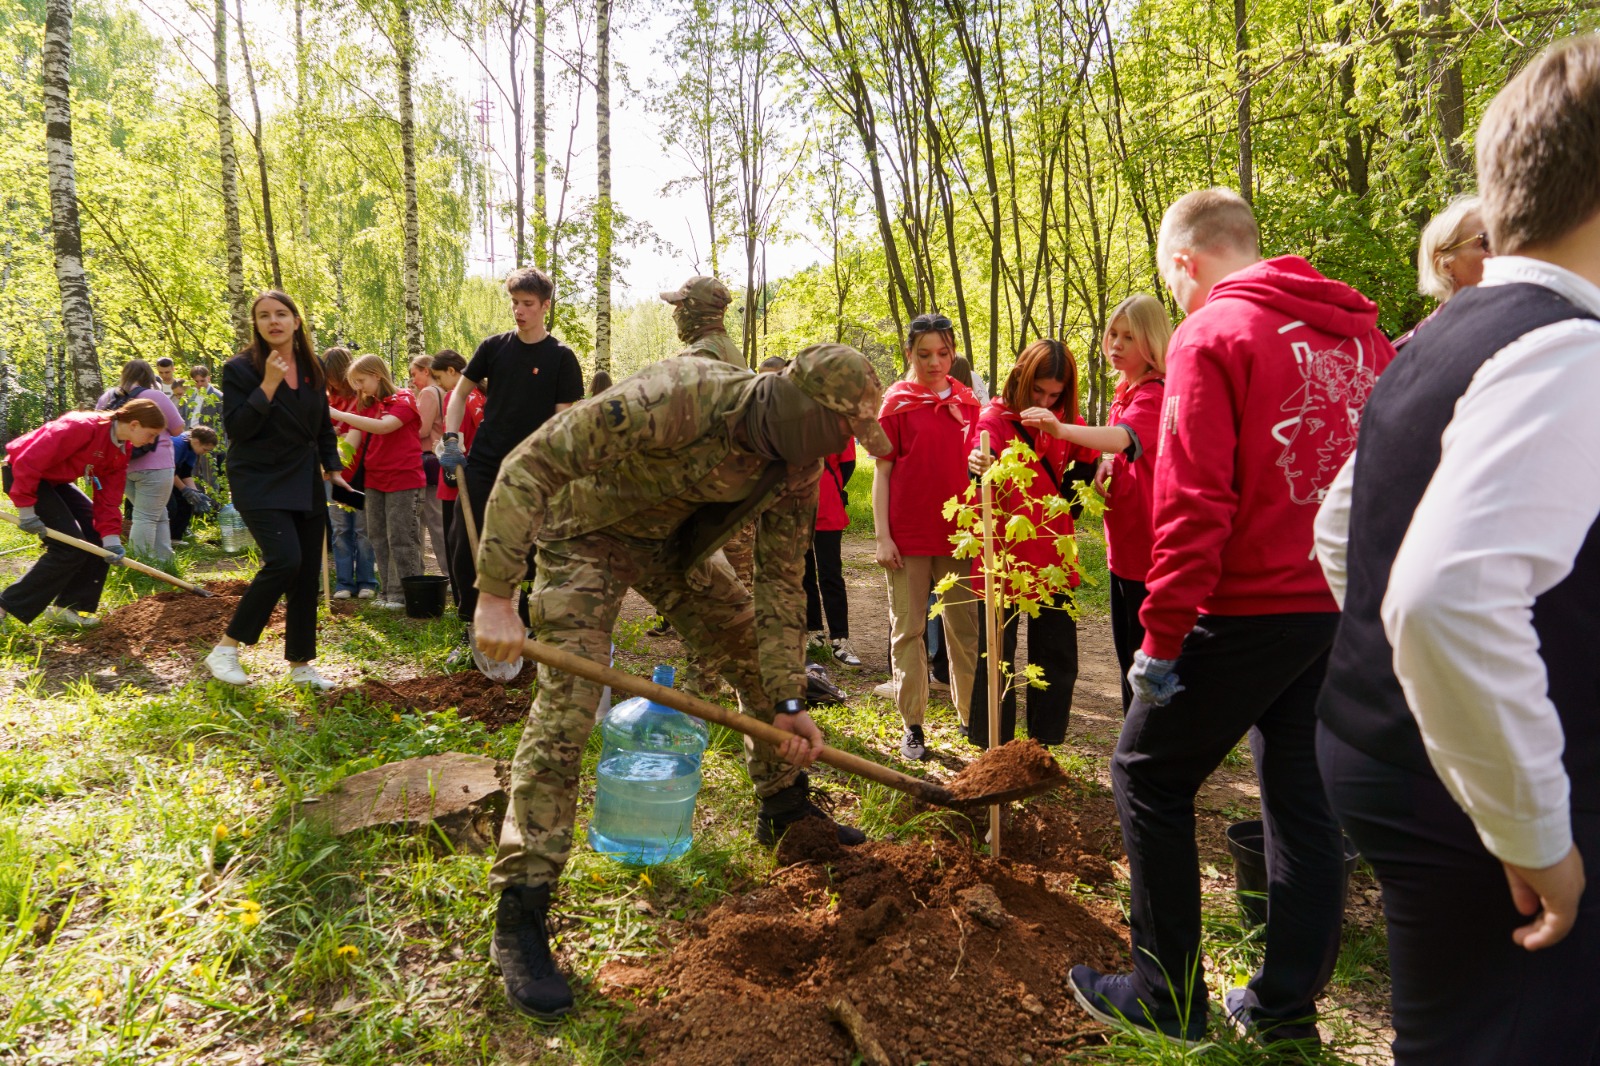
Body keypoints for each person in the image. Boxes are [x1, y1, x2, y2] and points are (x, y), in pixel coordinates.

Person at [1314, 36, 1600, 1063]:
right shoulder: (1570, 350)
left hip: (1396, 766)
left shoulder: (1437, 336)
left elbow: (1343, 533)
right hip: (1496, 809)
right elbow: (1441, 596)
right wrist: (1529, 830)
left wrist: (1411, 708)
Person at [471, 343, 890, 1021]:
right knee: (569, 708)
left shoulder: (799, 464)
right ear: (797, 405)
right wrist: (495, 592)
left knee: (754, 655)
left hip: (675, 547)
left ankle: (784, 809)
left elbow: (783, 585)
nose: (845, 447)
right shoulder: (678, 396)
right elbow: (532, 462)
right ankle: (522, 902)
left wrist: (785, 701)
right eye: (841, 430)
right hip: (587, 534)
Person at [1067, 188, 1395, 1046]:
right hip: (1339, 606)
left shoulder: (1211, 333)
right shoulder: (1365, 338)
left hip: (1245, 605)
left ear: (1185, 262)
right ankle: (1286, 1010)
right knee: (1302, 799)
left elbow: (1195, 502)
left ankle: (1165, 995)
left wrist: (1162, 634)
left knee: (1147, 773)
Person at [203, 291, 349, 690]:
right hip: (258, 478)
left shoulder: (313, 367)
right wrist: (267, 384)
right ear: (257, 324)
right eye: (264, 316)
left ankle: (301, 666)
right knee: (284, 561)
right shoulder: (239, 369)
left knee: (304, 575)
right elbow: (239, 430)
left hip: (304, 478)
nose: (273, 321)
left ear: (296, 321)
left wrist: (332, 467)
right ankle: (226, 649)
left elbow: (321, 425)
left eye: (281, 314)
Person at [965, 339, 1099, 750]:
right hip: (1003, 555)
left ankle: (1042, 746)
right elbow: (977, 458)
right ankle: (995, 747)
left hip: (1053, 554)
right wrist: (978, 465)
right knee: (996, 653)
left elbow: (1089, 452)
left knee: (1056, 654)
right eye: (1037, 391)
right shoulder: (995, 420)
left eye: (1054, 394)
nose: (1044, 401)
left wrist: (1068, 508)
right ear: (1022, 379)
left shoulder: (1063, 419)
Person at [440, 267, 584, 639]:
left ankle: (529, 625)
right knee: (464, 542)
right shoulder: (494, 347)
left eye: (528, 304)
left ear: (545, 306)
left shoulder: (561, 358)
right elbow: (459, 393)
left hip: (535, 469)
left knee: (533, 548)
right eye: (515, 302)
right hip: (486, 461)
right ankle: (475, 626)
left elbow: (562, 421)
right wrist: (452, 440)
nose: (519, 310)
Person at [873, 312, 981, 761]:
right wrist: (882, 537)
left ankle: (972, 719)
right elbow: (882, 472)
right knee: (909, 630)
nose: (934, 363)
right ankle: (913, 724)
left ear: (952, 353)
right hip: (908, 536)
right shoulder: (896, 404)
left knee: (964, 633)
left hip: (960, 538)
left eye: (942, 353)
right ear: (909, 354)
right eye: (923, 354)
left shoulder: (971, 403)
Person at [0, 400, 164, 628]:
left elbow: (109, 497)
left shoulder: (121, 449)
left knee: (96, 541)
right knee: (69, 548)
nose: (152, 441)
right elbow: (28, 461)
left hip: (54, 481)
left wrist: (111, 540)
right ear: (134, 424)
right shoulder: (81, 426)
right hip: (22, 472)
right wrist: (26, 510)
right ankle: (4, 606)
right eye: (151, 434)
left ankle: (68, 608)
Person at [1091, 295, 1172, 711]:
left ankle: (1147, 742)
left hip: (1148, 549)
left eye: (1129, 337)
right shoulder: (1125, 391)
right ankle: (1134, 735)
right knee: (1127, 653)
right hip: (1121, 545)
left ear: (1152, 342)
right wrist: (1107, 462)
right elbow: (1121, 448)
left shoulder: (1156, 393)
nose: (1116, 345)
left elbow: (1124, 436)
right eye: (1113, 335)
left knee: (1147, 659)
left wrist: (1058, 428)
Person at [329, 355, 426, 610]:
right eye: (354, 382)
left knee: (401, 536)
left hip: (404, 478)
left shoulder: (404, 399)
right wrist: (330, 463)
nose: (358, 387)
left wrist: (339, 414)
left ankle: (404, 593)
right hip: (374, 480)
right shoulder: (366, 405)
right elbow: (351, 443)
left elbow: (385, 427)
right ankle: (386, 592)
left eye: (360, 381)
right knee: (378, 536)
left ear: (377, 375)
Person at [95, 360, 185, 561]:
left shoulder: (108, 397)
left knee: (156, 512)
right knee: (146, 516)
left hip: (121, 464)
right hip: (156, 465)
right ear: (149, 376)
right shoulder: (154, 396)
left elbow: (99, 425)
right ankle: (141, 563)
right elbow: (178, 429)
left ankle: (164, 560)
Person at [1396, 194, 1492, 348]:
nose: (1504, 250)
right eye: (1487, 241)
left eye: (1504, 239)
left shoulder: (1532, 317)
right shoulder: (1416, 349)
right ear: (1444, 264)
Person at [427, 350, 482, 610]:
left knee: (456, 544)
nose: (438, 384)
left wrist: (446, 448)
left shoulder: (456, 396)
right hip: (475, 475)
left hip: (457, 479)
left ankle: (464, 604)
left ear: (452, 371)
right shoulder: (480, 394)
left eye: (438, 377)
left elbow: (457, 439)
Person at [321, 347, 377, 601]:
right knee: (340, 529)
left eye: (334, 375)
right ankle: (344, 582)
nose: (331, 381)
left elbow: (367, 429)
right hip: (333, 473)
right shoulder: (326, 399)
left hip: (361, 472)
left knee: (363, 530)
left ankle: (367, 580)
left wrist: (342, 433)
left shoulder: (363, 396)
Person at [803, 437, 859, 667]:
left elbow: (848, 465)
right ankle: (813, 632)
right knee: (803, 575)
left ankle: (840, 639)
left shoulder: (839, 421)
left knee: (831, 575)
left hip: (828, 508)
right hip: (794, 512)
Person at [409, 354, 449, 575]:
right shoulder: (443, 392)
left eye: (414, 374)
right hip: (438, 460)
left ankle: (445, 573)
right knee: (438, 521)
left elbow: (421, 430)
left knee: (430, 523)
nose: (413, 379)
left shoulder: (428, 392)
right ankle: (450, 572)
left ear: (426, 370)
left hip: (426, 460)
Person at [660, 275, 742, 367]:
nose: (675, 311)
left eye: (680, 305)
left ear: (695, 308)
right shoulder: (728, 348)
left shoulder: (699, 355)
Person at [167, 426, 219, 544]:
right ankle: (163, 538)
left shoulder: (193, 449)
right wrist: (185, 489)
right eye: (205, 449)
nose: (205, 453)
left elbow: (185, 473)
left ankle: (175, 537)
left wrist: (195, 493)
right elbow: (170, 471)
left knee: (187, 502)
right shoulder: (178, 445)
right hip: (161, 473)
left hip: (173, 474)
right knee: (172, 506)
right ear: (196, 441)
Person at [186, 363, 225, 493]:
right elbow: (188, 417)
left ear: (208, 378)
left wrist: (216, 442)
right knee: (193, 474)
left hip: (208, 440)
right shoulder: (192, 395)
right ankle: (199, 506)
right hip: (191, 438)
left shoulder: (218, 396)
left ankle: (214, 508)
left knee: (210, 476)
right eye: (196, 381)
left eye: (202, 380)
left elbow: (223, 422)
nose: (200, 384)